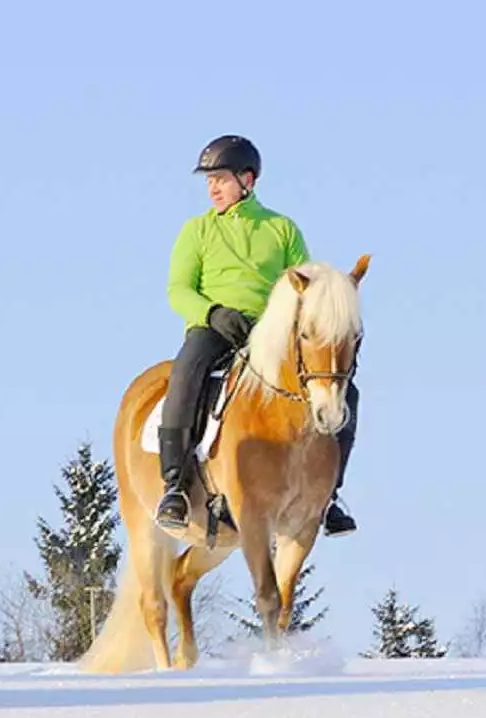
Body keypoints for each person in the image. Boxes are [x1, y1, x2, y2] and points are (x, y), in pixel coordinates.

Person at [154, 134, 359, 535]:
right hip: (213, 327)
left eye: (221, 178)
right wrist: (213, 314)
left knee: (343, 389)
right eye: (209, 180)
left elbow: (307, 286)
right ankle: (175, 486)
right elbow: (178, 289)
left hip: (271, 334)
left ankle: (329, 494)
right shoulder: (197, 231)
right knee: (185, 373)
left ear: (247, 180)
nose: (212, 187)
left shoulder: (282, 229)